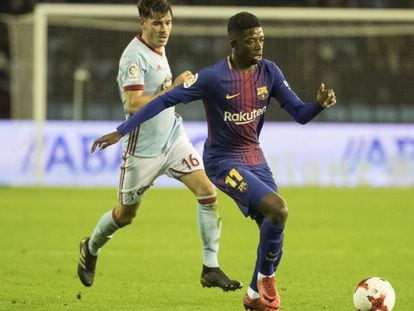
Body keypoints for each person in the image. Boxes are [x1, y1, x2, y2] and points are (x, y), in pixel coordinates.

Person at [91, 11, 336, 311]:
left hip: (254, 157)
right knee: (279, 209)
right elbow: (164, 101)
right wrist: (121, 130)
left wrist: (318, 106)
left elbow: (299, 114)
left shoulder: (269, 72)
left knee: (273, 221)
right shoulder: (213, 77)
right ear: (234, 43)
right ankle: (266, 280)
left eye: (261, 39)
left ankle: (254, 295)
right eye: (251, 41)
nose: (259, 46)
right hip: (222, 162)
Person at [77, 0, 242, 292]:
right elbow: (133, 103)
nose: (164, 29)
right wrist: (174, 89)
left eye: (167, 22)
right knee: (124, 216)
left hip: (173, 138)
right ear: (143, 23)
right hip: (143, 149)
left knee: (208, 193)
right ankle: (90, 248)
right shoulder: (133, 57)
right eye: (157, 23)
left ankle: (211, 268)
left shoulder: (158, 48)